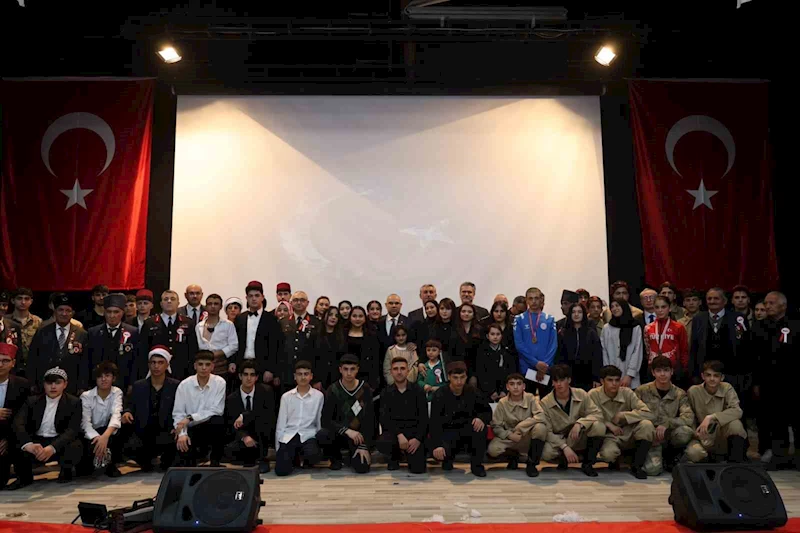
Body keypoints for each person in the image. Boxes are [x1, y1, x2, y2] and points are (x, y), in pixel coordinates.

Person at [10, 367, 83, 489]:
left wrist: (52, 448)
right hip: (37, 441)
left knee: (75, 444)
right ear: (44, 384)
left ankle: (66, 471)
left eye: (57, 383)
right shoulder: (32, 401)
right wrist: (28, 444)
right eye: (49, 383)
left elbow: (72, 430)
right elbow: (18, 423)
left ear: (65, 384)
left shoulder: (74, 402)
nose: (53, 387)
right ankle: (24, 478)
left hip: (58, 441)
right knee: (16, 442)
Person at [528, 364, 605, 477]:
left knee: (599, 426)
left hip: (578, 436)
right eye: (556, 381)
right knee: (546, 453)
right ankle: (562, 459)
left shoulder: (581, 394)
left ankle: (588, 464)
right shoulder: (545, 402)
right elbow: (547, 431)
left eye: (562, 380)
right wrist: (564, 446)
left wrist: (580, 423)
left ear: (569, 380)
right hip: (559, 440)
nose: (559, 384)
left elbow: (597, 414)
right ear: (552, 382)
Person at [751, 292, 798, 469]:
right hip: (768, 382)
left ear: (783, 305)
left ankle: (797, 458)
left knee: (796, 421)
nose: (767, 306)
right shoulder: (759, 326)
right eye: (766, 303)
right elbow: (754, 357)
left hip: (793, 382)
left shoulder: (795, 325)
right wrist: (756, 382)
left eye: (772, 303)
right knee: (776, 422)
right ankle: (779, 458)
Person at [589, 365, 655, 479]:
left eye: (617, 380)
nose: (614, 383)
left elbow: (648, 413)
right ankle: (617, 459)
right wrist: (608, 424)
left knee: (646, 425)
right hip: (609, 435)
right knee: (608, 455)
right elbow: (586, 415)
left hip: (628, 432)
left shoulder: (627, 393)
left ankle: (637, 466)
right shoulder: (593, 394)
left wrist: (624, 415)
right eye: (610, 380)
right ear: (602, 381)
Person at [121, 346, 179, 472]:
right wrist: (127, 412)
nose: (156, 366)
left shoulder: (176, 386)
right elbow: (130, 405)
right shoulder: (139, 385)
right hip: (144, 432)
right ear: (148, 365)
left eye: (160, 363)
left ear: (167, 365)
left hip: (167, 431)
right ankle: (146, 460)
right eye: (153, 363)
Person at [429, 361, 491, 477]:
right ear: (449, 377)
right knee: (441, 453)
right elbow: (434, 422)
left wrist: (481, 418)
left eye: (462, 377)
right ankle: (448, 458)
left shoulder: (473, 391)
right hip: (448, 433)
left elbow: (487, 411)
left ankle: (477, 466)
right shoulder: (440, 394)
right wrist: (437, 445)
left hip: (467, 430)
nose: (459, 381)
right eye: (455, 377)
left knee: (481, 429)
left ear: (466, 377)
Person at [635, 356, 695, 475]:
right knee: (653, 470)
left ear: (672, 371)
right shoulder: (642, 391)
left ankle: (671, 456)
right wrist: (651, 430)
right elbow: (634, 414)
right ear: (653, 372)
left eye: (666, 370)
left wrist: (667, 423)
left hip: (668, 435)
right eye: (658, 371)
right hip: (650, 437)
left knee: (685, 432)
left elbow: (688, 418)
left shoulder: (679, 393)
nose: (663, 374)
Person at [318, 355, 375, 473]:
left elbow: (371, 420)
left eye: (352, 369)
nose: (349, 373)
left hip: (358, 437)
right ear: (340, 370)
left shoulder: (365, 388)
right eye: (345, 369)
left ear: (357, 369)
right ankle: (336, 457)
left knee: (362, 468)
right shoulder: (333, 389)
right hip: (340, 434)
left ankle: (352, 456)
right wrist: (347, 430)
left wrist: (364, 446)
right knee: (323, 434)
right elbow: (325, 420)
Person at [688, 288, 750, 393]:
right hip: (705, 375)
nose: (712, 301)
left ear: (724, 301)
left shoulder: (738, 318)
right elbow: (694, 347)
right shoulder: (698, 318)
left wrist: (745, 377)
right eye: (709, 299)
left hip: (732, 374)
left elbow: (746, 348)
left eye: (716, 298)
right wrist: (694, 374)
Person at [685, 360, 748, 463]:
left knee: (735, 424)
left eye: (716, 375)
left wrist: (711, 417)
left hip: (721, 435)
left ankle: (735, 463)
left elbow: (737, 411)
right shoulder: (693, 391)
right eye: (708, 375)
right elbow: (688, 415)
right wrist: (695, 433)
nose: (712, 379)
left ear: (722, 377)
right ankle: (709, 461)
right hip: (701, 437)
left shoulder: (726, 388)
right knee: (694, 453)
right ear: (702, 376)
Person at [27, 293, 89, 395]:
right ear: (55, 311)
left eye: (68, 310)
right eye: (60, 310)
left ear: (73, 313)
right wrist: (33, 382)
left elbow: (85, 362)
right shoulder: (43, 332)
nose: (64, 313)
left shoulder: (81, 334)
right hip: (45, 385)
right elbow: (33, 358)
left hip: (71, 386)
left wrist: (82, 385)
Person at [172, 351, 227, 467]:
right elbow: (178, 413)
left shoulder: (220, 382)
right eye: (200, 364)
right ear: (195, 366)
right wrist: (182, 434)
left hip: (210, 426)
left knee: (218, 421)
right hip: (190, 428)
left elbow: (217, 410)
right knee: (184, 462)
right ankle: (198, 456)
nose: (204, 368)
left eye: (207, 364)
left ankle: (215, 461)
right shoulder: (184, 385)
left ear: (212, 366)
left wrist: (191, 417)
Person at [378, 357, 428, 473]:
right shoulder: (386, 392)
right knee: (383, 442)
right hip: (395, 434)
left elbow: (424, 418)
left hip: (414, 434)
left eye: (402, 368)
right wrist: (399, 435)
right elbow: (384, 418)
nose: (399, 372)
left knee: (418, 469)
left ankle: (409, 454)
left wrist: (417, 439)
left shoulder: (418, 390)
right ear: (391, 371)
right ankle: (395, 456)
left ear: (408, 371)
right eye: (395, 369)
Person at [274, 360, 324, 476]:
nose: (303, 377)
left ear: (311, 376)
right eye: (300, 374)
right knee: (281, 471)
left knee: (313, 455)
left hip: (308, 435)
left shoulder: (318, 396)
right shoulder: (286, 397)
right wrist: (278, 448)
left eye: (306, 374)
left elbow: (318, 420)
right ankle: (295, 457)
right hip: (289, 435)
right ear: (295, 376)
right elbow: (281, 423)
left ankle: (303, 457)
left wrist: (319, 442)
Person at [225, 361, 274, 473]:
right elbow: (231, 423)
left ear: (256, 377)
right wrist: (244, 436)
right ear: (240, 376)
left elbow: (268, 415)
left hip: (262, 433)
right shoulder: (232, 398)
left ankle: (261, 458)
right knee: (230, 450)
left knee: (264, 420)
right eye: (245, 374)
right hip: (244, 435)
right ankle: (250, 458)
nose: (248, 378)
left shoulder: (266, 391)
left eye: (252, 375)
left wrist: (244, 416)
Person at [78, 361, 124, 478]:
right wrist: (99, 439)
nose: (103, 379)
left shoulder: (117, 392)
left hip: (107, 431)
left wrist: (105, 437)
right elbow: (85, 423)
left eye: (107, 376)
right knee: (85, 471)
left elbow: (116, 415)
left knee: (120, 430)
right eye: (100, 376)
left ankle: (111, 464)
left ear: (113, 378)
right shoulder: (86, 396)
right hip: (90, 434)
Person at [87, 293, 141, 391]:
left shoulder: (132, 332)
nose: (112, 316)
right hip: (98, 384)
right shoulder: (93, 332)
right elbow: (87, 360)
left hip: (123, 384)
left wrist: (132, 383)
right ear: (104, 312)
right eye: (109, 312)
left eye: (116, 312)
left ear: (122, 312)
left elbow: (136, 361)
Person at [141, 290, 198, 381]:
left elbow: (192, 350)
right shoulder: (150, 323)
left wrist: (191, 373)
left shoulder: (188, 322)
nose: (169, 301)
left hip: (181, 371)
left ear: (178, 303)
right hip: (156, 371)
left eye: (172, 299)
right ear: (161, 304)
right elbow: (143, 350)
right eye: (166, 299)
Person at [487, 373, 541, 470]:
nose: (515, 387)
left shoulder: (530, 398)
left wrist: (521, 426)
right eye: (512, 384)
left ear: (524, 386)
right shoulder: (502, 402)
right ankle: (513, 456)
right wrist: (509, 435)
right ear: (507, 387)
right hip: (510, 436)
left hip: (526, 435)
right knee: (493, 450)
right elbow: (496, 426)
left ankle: (532, 462)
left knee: (541, 428)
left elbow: (541, 416)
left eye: (519, 384)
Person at [234, 281, 281, 387]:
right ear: (246, 298)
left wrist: (270, 369)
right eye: (250, 296)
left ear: (262, 297)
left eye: (257, 295)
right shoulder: (240, 318)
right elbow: (235, 342)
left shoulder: (271, 319)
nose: (254, 299)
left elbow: (275, 346)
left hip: (263, 366)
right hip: (242, 364)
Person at [514, 287, 558, 398]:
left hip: (546, 369)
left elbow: (553, 345)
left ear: (541, 299)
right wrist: (535, 363)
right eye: (530, 298)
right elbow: (519, 345)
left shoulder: (549, 319)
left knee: (547, 403)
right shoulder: (519, 319)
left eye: (536, 298)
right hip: (527, 369)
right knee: (527, 403)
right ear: (526, 300)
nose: (534, 301)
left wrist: (544, 366)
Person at [0, 343, 31, 489]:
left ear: (13, 363)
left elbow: (23, 415)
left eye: (5, 361)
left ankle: (23, 477)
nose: (0, 364)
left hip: (12, 434)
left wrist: (7, 439)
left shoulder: (22, 385)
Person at [278, 292, 321, 392]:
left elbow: (319, 351)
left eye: (302, 300)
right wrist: (277, 374)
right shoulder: (283, 322)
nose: (299, 303)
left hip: (307, 373)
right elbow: (278, 349)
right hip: (287, 373)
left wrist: (317, 377)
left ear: (307, 303)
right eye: (296, 300)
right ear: (291, 303)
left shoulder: (316, 322)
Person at [556, 302, 602, 391]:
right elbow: (560, 356)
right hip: (568, 376)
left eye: (579, 312)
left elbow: (597, 356)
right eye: (573, 312)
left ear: (584, 314)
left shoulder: (591, 333)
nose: (576, 314)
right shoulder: (563, 333)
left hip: (587, 376)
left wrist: (596, 377)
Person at [601, 299, 644, 389]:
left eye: (617, 305)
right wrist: (609, 374)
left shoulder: (635, 327)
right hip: (611, 377)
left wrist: (630, 375)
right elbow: (604, 351)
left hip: (631, 378)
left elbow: (637, 351)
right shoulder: (607, 328)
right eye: (612, 307)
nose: (614, 309)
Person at [643, 296, 688, 380]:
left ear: (669, 308)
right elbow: (647, 350)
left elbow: (684, 350)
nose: (660, 310)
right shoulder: (648, 328)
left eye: (663, 307)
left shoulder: (678, 327)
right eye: (657, 307)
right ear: (654, 309)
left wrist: (684, 368)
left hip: (673, 370)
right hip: (654, 369)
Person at [196, 293, 239, 378]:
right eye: (210, 304)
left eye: (216, 304)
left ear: (221, 306)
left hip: (222, 366)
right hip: (202, 366)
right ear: (206, 306)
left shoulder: (228, 325)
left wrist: (216, 354)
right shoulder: (199, 326)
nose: (213, 306)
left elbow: (234, 345)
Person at [475, 323, 517, 400]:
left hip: (504, 392)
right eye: (492, 334)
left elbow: (511, 372)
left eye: (498, 334)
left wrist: (505, 391)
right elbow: (481, 374)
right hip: (487, 392)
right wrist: (491, 391)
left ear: (501, 336)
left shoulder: (507, 353)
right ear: (487, 336)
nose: (495, 337)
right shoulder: (481, 352)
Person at [346, 306, 380, 391]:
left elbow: (376, 359)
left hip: (366, 377)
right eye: (354, 316)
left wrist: (373, 380)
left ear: (365, 318)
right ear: (350, 318)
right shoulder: (342, 334)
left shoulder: (372, 335)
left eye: (360, 316)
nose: (357, 319)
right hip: (346, 375)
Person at [11, 287, 42, 375]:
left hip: (33, 366)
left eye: (26, 299)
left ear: (31, 301)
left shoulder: (38, 322)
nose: (23, 302)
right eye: (19, 298)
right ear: (13, 300)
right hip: (11, 366)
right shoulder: (6, 321)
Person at [315, 306, 346, 390]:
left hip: (337, 378)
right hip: (320, 377)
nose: (333, 317)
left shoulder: (342, 336)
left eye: (336, 316)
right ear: (324, 316)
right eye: (330, 314)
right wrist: (316, 380)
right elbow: (312, 358)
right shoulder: (316, 335)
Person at [452, 303, 483, 375]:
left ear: (474, 314)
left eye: (469, 312)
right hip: (457, 367)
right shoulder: (453, 328)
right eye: (463, 311)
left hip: (475, 367)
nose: (466, 314)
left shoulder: (479, 329)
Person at [377, 294, 407, 362]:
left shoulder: (408, 321)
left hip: (401, 360)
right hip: (381, 360)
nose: (394, 306)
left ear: (400, 305)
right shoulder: (379, 321)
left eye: (396, 303)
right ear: (386, 305)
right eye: (390, 303)